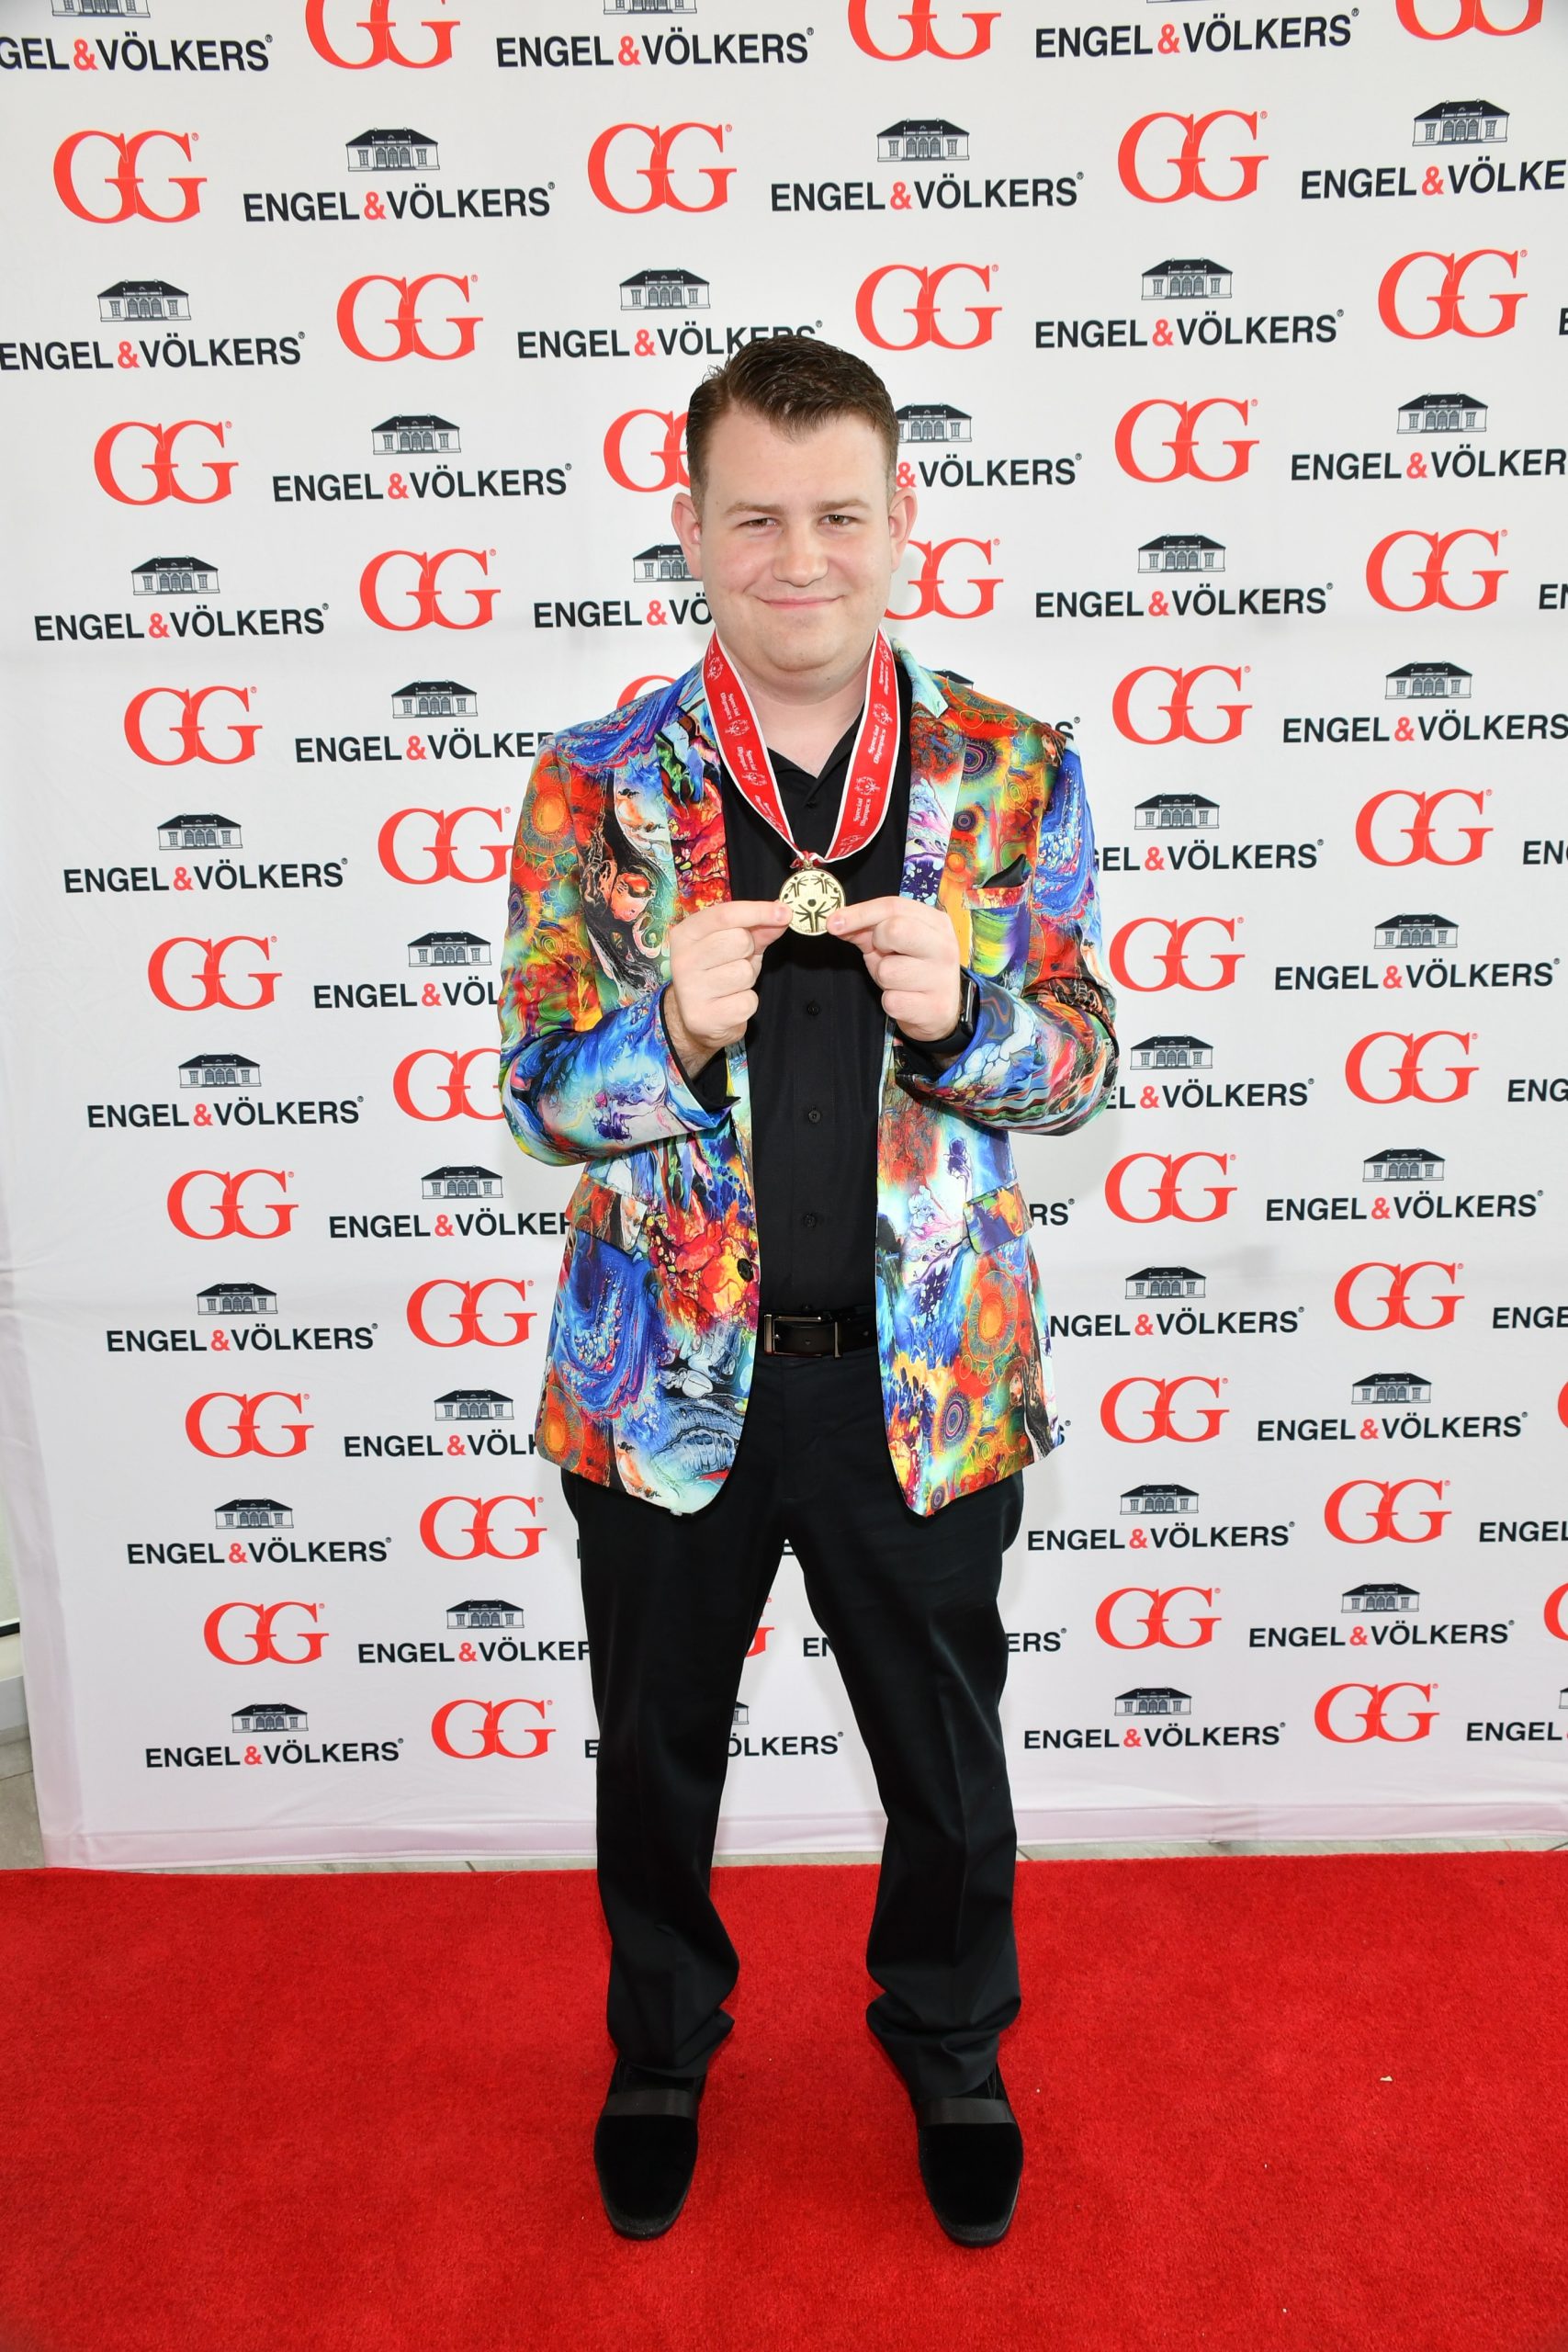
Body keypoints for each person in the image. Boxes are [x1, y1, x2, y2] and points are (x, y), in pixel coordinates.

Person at [497, 335, 1118, 2245]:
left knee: (945, 1756)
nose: (797, 554)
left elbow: (1081, 1063)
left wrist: (974, 1015)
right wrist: (664, 1034)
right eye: (752, 515)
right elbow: (536, 1094)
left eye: (836, 512)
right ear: (686, 527)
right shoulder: (594, 785)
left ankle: (947, 2041)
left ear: (899, 520)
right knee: (653, 1744)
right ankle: (660, 2043)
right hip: (666, 1380)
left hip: (922, 1386)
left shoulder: (1014, 765)